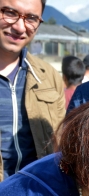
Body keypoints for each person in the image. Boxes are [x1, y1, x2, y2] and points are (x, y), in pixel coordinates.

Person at [0, 0, 65, 182]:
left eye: (31, 18)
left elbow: (59, 146)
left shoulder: (48, 77)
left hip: (33, 195)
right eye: (10, 13)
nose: (20, 27)